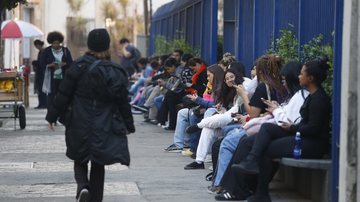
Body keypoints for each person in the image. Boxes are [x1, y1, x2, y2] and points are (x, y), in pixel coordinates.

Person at [45, 29, 135, 202]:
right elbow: (123, 102)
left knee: (79, 157)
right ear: (107, 45)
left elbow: (64, 94)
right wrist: (128, 124)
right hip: (104, 123)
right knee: (98, 162)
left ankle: (83, 186)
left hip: (79, 120)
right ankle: (96, 199)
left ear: (89, 45)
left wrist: (51, 116)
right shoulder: (115, 71)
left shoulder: (77, 66)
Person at [224, 58, 331, 201]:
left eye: (302, 74)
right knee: (267, 128)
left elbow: (313, 128)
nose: (299, 76)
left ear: (310, 78)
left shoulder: (319, 99)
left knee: (267, 148)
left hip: (312, 144)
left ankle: (260, 192)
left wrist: (292, 127)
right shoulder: (312, 96)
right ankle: (252, 163)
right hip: (302, 135)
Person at [40, 31, 73, 111]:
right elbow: (42, 64)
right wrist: (50, 65)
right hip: (51, 78)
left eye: (58, 43)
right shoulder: (46, 51)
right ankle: (51, 117)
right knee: (51, 98)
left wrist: (64, 64)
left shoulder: (65, 50)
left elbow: (71, 63)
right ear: (51, 42)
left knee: (62, 97)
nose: (56, 45)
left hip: (63, 78)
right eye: (54, 43)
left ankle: (62, 115)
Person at [32, 39, 47, 109]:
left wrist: (36, 63)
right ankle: (41, 104)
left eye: (36, 46)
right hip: (40, 73)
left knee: (42, 89)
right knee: (40, 89)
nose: (36, 47)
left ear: (38, 45)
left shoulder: (43, 51)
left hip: (42, 73)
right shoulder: (41, 51)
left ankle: (43, 104)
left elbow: (43, 63)